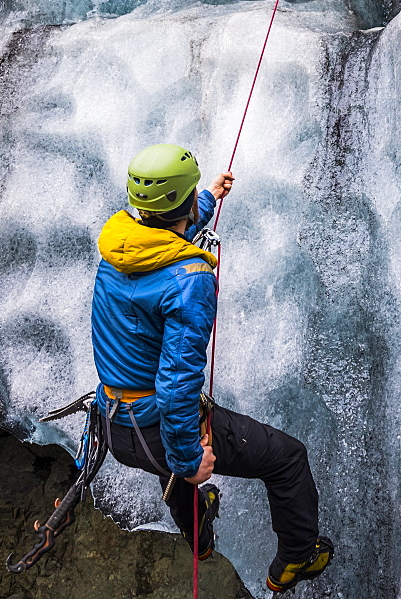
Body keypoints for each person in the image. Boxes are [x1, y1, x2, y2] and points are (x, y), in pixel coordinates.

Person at [91, 143, 333, 592]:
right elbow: (178, 384)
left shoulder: (117, 249)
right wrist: (188, 460)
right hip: (157, 430)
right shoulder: (189, 281)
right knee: (287, 458)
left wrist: (207, 201)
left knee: (173, 463)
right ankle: (296, 557)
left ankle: (197, 536)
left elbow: (161, 235)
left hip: (113, 424)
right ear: (181, 201)